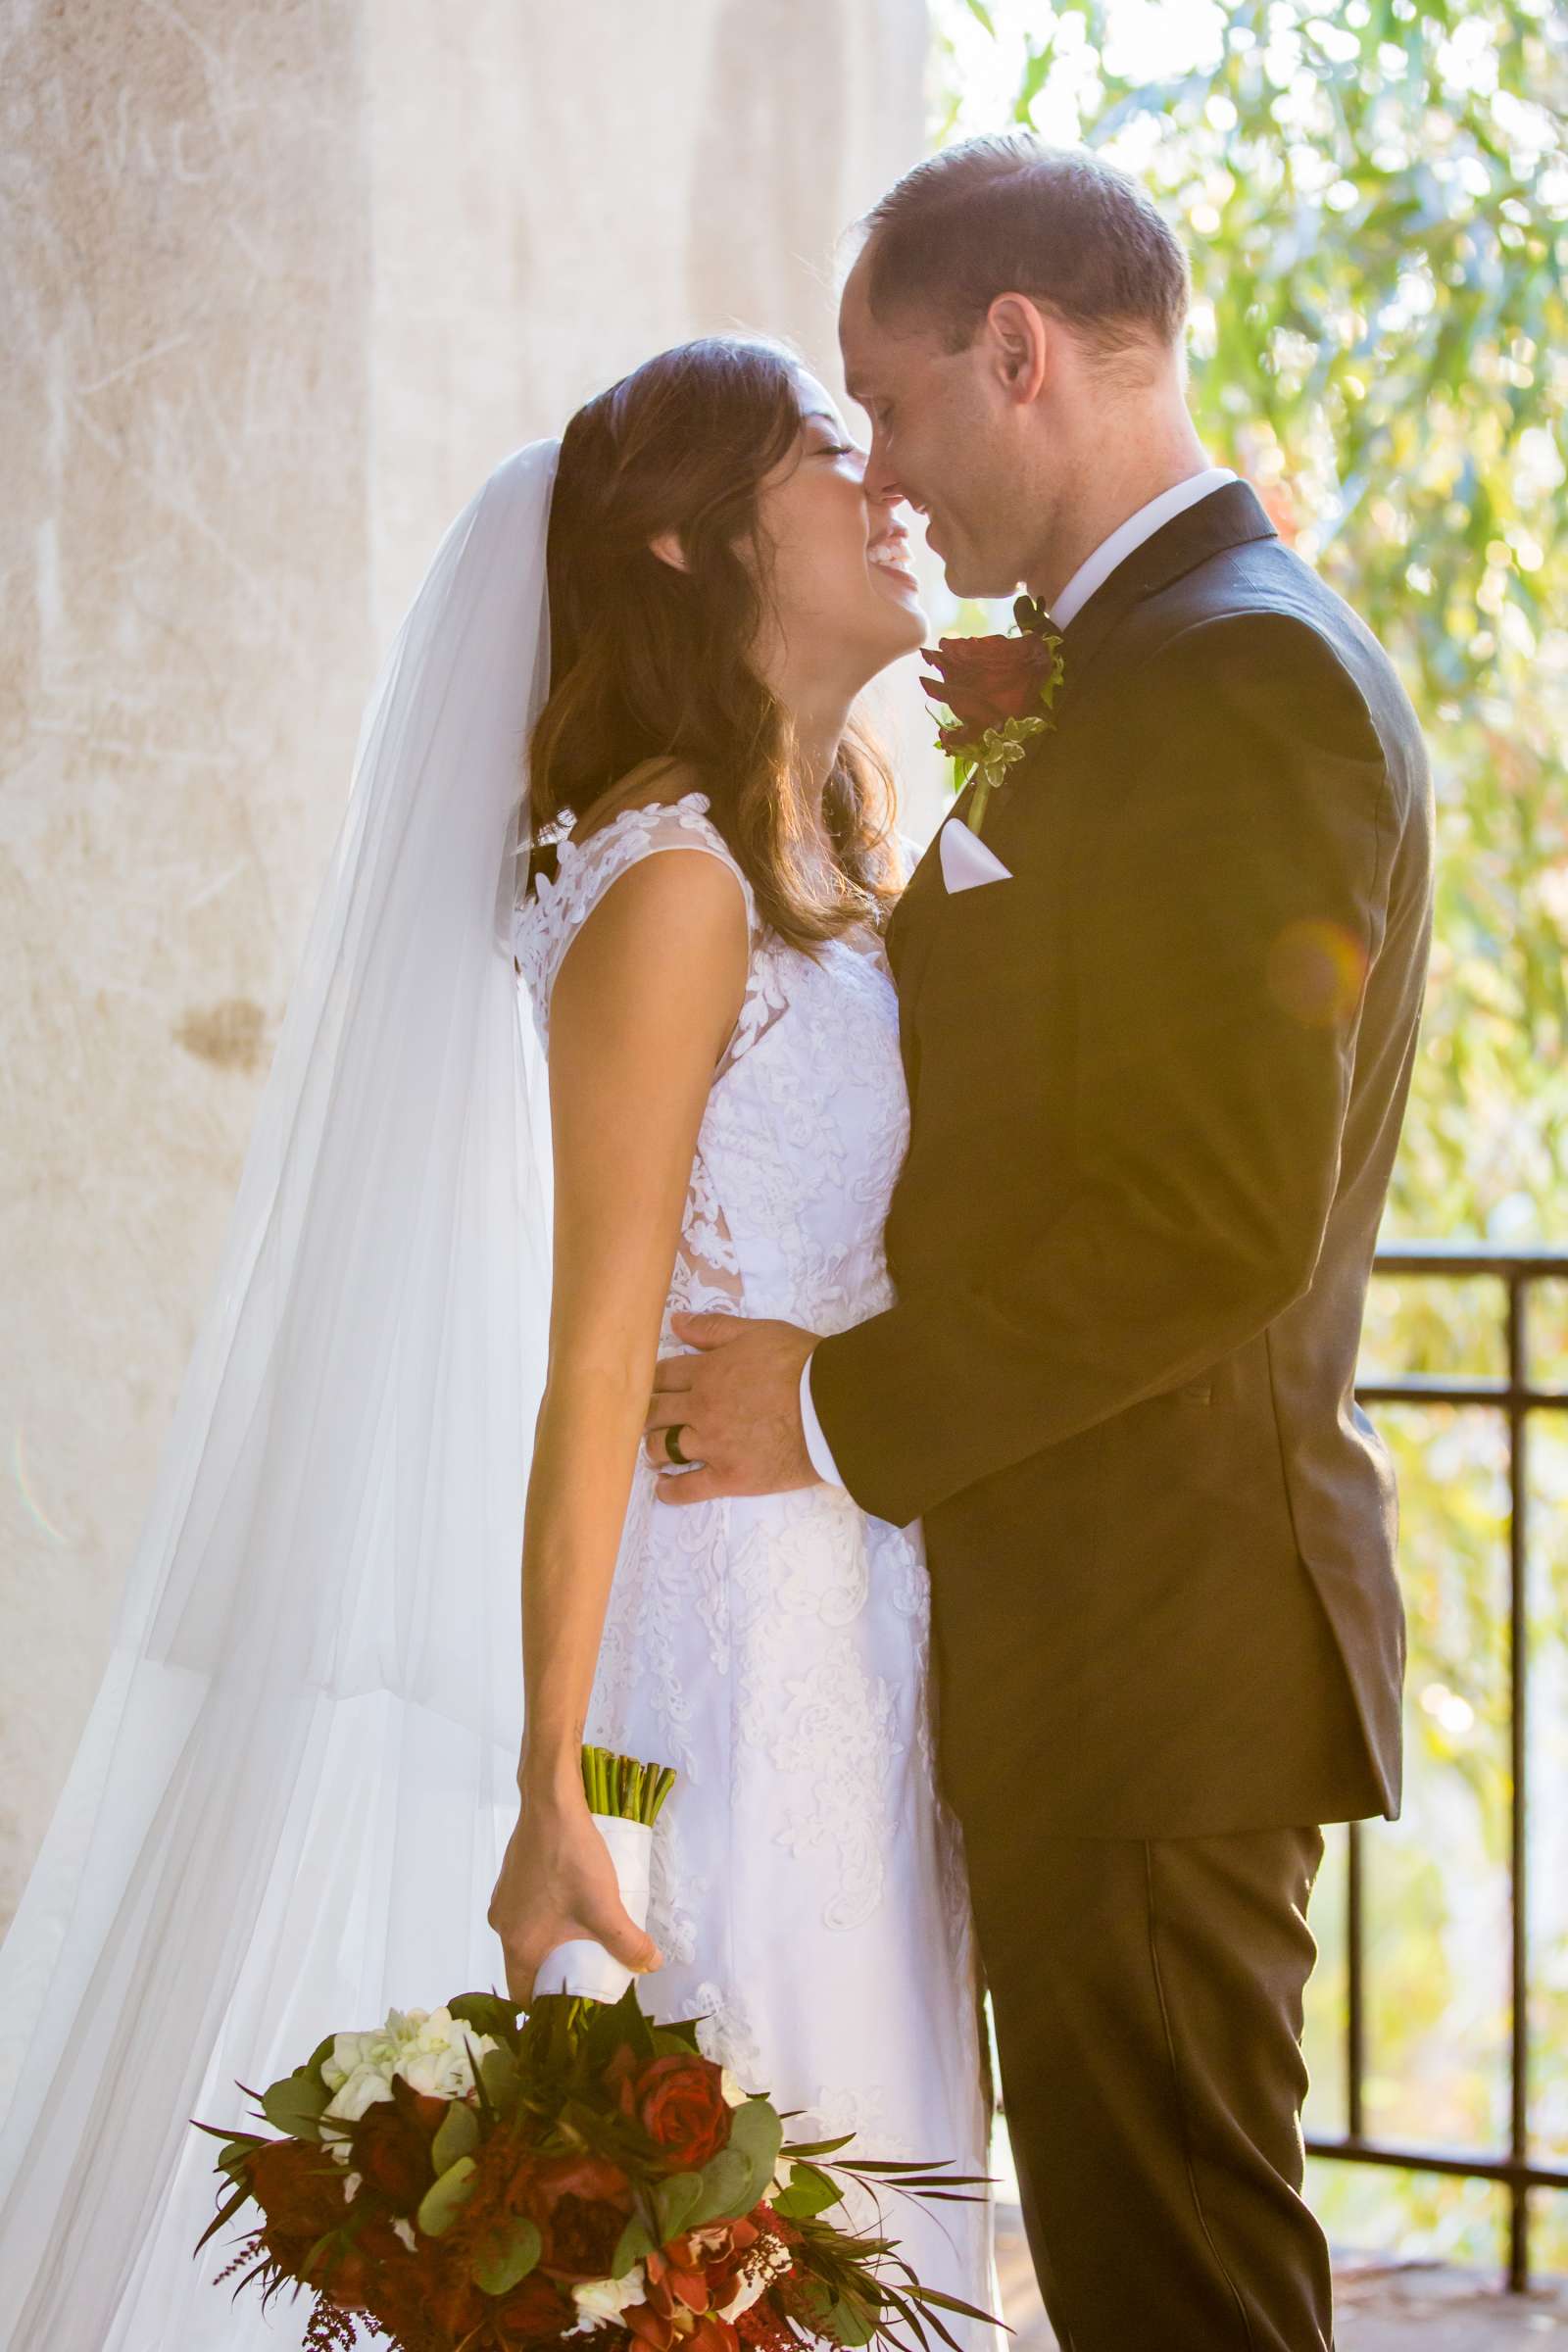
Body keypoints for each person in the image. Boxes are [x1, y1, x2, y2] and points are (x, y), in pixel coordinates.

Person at [0, 337, 997, 2349]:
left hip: (861, 1612)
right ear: (681, 535)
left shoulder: (831, 865)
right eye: (826, 448)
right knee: (763, 2184)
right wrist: (554, 1776)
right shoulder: (673, 888)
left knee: (858, 2181)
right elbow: (594, 1356)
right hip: (719, 1656)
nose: (883, 479)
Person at [643, 139, 1436, 2352]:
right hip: (1083, 1639)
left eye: (886, 405)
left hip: (1160, 1652)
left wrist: (816, 1397)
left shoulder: (1233, 682)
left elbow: (1206, 1226)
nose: (884, 471)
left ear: (1017, 356)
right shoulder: (1157, 667)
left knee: (1177, 2297)